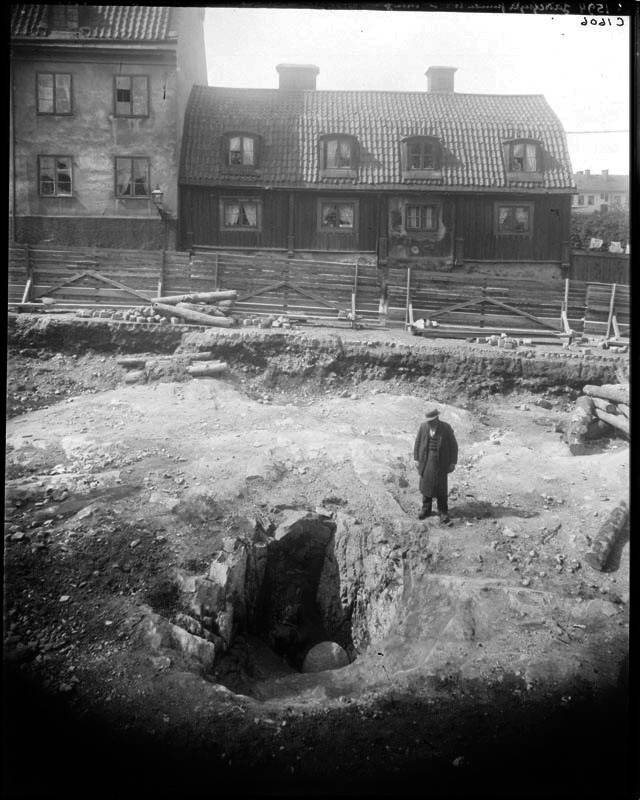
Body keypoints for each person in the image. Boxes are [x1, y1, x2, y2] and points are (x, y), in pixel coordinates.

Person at [413, 408, 458, 524]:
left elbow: (454, 446)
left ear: (437, 419)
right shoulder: (423, 427)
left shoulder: (446, 428)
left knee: (441, 488)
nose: (429, 423)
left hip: (441, 463)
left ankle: (443, 512)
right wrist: (416, 459)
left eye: (432, 421)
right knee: (426, 484)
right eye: (428, 421)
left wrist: (453, 462)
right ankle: (426, 509)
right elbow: (417, 443)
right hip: (426, 460)